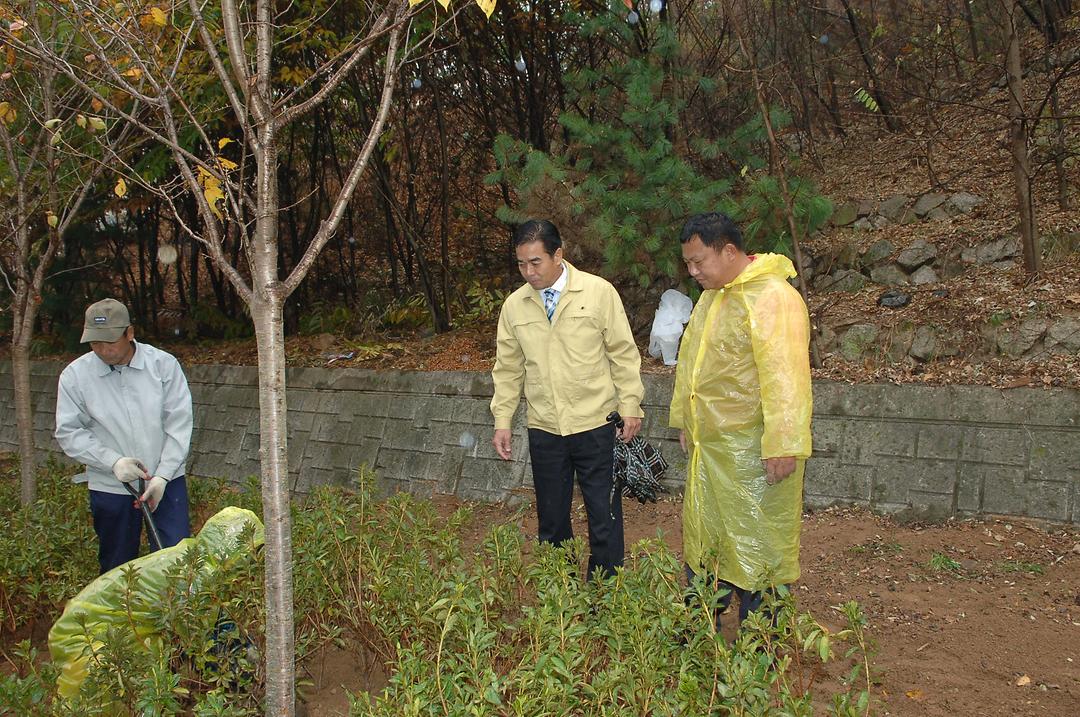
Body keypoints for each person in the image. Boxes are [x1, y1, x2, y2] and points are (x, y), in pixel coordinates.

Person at [670, 212, 812, 626]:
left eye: (699, 262)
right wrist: (687, 420)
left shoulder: (773, 298)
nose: (693, 272)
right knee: (707, 540)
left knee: (759, 545)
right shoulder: (713, 296)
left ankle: (761, 640)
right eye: (688, 264)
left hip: (752, 451)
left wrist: (783, 443)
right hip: (712, 451)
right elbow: (691, 364)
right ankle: (701, 631)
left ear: (729, 251)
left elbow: (785, 376)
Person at [491, 220, 645, 579]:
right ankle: (560, 593)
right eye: (521, 264)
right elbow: (508, 369)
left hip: (596, 424)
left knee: (603, 516)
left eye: (536, 262)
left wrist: (630, 406)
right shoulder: (514, 307)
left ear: (558, 255)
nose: (528, 272)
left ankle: (606, 593)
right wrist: (502, 420)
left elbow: (623, 353)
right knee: (552, 519)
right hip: (545, 428)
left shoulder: (597, 292)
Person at [55, 298, 194, 574]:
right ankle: (121, 604)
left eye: (110, 342)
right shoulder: (75, 376)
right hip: (110, 485)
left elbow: (179, 423)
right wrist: (112, 461)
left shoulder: (163, 366)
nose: (103, 350)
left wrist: (163, 475)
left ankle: (173, 604)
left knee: (175, 560)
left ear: (129, 333)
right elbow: (69, 431)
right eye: (95, 343)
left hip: (166, 481)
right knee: (116, 564)